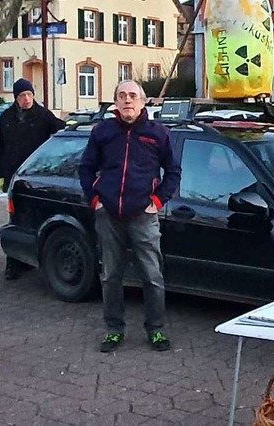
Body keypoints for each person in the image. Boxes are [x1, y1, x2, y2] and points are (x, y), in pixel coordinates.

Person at [79, 80, 181, 353]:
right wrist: (95, 199)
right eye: (122, 96)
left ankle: (156, 330)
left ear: (143, 102)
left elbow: (173, 173)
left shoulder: (158, 134)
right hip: (108, 214)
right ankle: (114, 330)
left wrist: (157, 201)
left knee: (152, 275)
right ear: (115, 101)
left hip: (143, 216)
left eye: (133, 96)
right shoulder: (103, 132)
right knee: (111, 275)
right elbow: (86, 168)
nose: (127, 100)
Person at [0, 78, 65, 280]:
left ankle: (32, 256)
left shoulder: (42, 115)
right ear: (15, 98)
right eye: (22, 96)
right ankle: (14, 262)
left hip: (37, 175)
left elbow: (60, 129)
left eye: (29, 95)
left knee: (34, 216)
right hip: (14, 176)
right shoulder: (6, 118)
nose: (26, 99)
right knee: (15, 218)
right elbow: (1, 147)